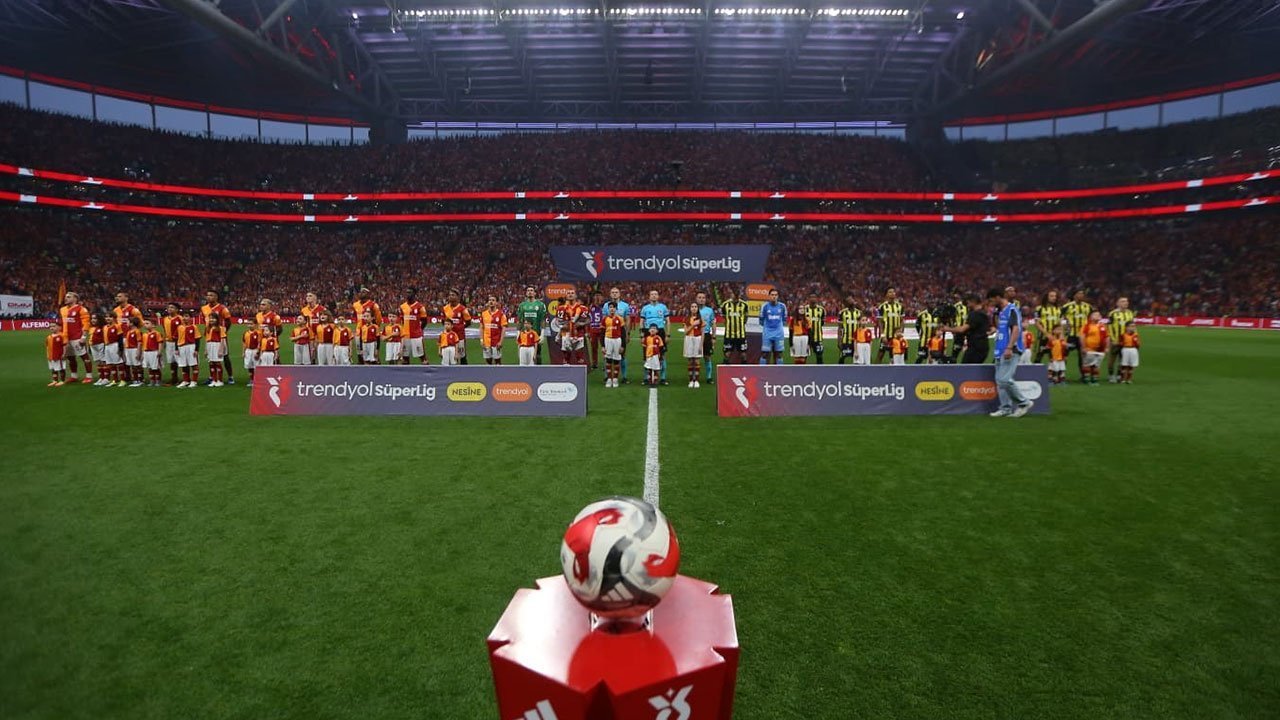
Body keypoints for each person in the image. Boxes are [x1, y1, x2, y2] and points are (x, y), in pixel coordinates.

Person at [990, 288, 1033, 418]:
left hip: (1010, 349)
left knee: (1003, 380)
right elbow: (1001, 329)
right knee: (1000, 382)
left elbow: (1016, 329)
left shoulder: (1012, 310)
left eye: (992, 300)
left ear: (998, 297)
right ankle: (1005, 408)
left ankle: (1024, 403)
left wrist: (1009, 347)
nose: (991, 303)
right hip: (1000, 349)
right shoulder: (1001, 311)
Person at [944, 295, 991, 365]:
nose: (967, 306)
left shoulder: (975, 314)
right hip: (982, 346)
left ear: (973, 302)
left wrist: (947, 329)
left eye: (968, 303)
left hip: (975, 348)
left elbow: (962, 329)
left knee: (966, 367)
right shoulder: (983, 313)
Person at [58, 292, 93, 383]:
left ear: (75, 299)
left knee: (84, 356)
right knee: (70, 358)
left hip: (77, 337)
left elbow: (86, 324)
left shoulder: (81, 309)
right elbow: (62, 324)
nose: (66, 298)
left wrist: (84, 337)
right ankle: (74, 376)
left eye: (69, 297)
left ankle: (89, 376)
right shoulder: (62, 309)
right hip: (66, 338)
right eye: (66, 297)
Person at [201, 291, 235, 384]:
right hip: (209, 335)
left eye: (211, 295)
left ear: (216, 297)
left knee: (225, 355)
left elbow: (228, 321)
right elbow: (205, 321)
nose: (208, 297)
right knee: (211, 356)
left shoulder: (222, 308)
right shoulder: (204, 308)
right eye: (207, 295)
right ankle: (212, 377)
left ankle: (230, 376)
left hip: (220, 335)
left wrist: (223, 331)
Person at [638, 290, 671, 383]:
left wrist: (668, 334)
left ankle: (663, 378)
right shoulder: (645, 308)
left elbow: (668, 321)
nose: (654, 296)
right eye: (652, 294)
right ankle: (646, 378)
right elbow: (641, 322)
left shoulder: (663, 307)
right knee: (646, 354)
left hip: (660, 331)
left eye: (655, 294)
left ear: (658, 296)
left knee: (662, 355)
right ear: (649, 296)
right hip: (648, 331)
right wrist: (642, 335)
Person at [1062, 290, 1094, 382]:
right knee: (1065, 354)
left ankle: (1084, 376)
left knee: (1083, 355)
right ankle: (1061, 375)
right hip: (1070, 335)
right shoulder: (1067, 306)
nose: (1081, 295)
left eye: (1082, 293)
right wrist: (1065, 326)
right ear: (1074, 295)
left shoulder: (1088, 306)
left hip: (1083, 336)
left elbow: (1091, 318)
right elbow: (1060, 318)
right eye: (1079, 293)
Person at [604, 287, 632, 380]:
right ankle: (607, 376)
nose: (614, 294)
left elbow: (627, 320)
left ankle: (624, 376)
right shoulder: (606, 305)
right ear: (610, 294)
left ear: (619, 294)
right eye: (613, 292)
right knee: (607, 356)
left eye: (616, 292)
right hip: (609, 335)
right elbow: (604, 320)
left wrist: (627, 333)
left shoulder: (625, 306)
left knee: (622, 355)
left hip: (620, 335)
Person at [516, 286, 549, 365]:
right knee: (524, 354)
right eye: (528, 290)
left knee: (537, 354)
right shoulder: (522, 305)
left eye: (531, 290)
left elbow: (543, 320)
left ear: (535, 293)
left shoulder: (540, 305)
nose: (530, 292)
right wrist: (518, 333)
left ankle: (538, 371)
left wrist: (542, 334)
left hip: (536, 333)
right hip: (525, 334)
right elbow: (520, 320)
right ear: (526, 293)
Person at [1106, 297, 1135, 383]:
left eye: (1126, 301)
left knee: (1122, 359)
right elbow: (1109, 327)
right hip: (1115, 340)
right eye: (1122, 301)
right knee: (1112, 359)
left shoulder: (1130, 313)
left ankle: (1119, 375)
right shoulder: (1113, 313)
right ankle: (1111, 375)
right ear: (1118, 303)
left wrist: (1133, 338)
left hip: (1126, 341)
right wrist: (1112, 339)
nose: (1125, 303)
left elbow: (1133, 327)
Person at [719, 286, 749, 366]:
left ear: (739, 295)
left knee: (743, 354)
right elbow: (724, 318)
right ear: (731, 294)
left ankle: (744, 369)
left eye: (737, 294)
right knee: (727, 354)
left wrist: (741, 324)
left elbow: (746, 318)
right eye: (733, 294)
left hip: (741, 334)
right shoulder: (725, 305)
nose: (735, 296)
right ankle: (726, 370)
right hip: (729, 334)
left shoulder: (744, 305)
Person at [557, 289, 588, 366]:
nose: (570, 294)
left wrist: (582, 323)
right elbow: (559, 322)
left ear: (576, 296)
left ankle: (580, 372)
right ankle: (566, 372)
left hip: (578, 334)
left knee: (580, 356)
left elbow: (587, 320)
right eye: (568, 293)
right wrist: (562, 327)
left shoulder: (583, 308)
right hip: (566, 334)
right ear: (566, 296)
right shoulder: (561, 309)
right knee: (566, 357)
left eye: (572, 293)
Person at [352, 288, 383, 363]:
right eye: (360, 292)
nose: (361, 293)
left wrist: (375, 328)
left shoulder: (373, 305)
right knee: (359, 351)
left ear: (368, 294)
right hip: (359, 331)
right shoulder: (355, 305)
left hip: (370, 332)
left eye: (364, 292)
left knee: (373, 353)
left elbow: (378, 318)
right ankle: (361, 364)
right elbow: (356, 317)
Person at [441, 290, 472, 365]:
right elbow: (443, 321)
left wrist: (461, 327)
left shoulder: (462, 309)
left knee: (462, 356)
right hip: (448, 336)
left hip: (460, 336)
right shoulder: (445, 308)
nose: (450, 296)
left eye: (453, 295)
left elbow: (468, 322)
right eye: (450, 295)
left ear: (457, 297)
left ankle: (464, 371)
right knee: (449, 356)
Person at [399, 290, 428, 365]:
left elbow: (425, 321)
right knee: (405, 359)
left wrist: (419, 329)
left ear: (414, 294)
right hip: (405, 335)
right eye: (407, 292)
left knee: (423, 358)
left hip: (416, 335)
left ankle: (427, 371)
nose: (408, 294)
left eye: (410, 292)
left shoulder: (420, 307)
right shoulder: (402, 306)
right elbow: (402, 320)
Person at [875, 288, 904, 364]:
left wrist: (901, 331)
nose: (892, 293)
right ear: (886, 295)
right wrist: (883, 335)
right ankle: (875, 369)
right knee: (880, 354)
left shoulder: (900, 306)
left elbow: (902, 320)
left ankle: (894, 370)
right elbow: (880, 322)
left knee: (895, 355)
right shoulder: (882, 306)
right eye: (890, 292)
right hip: (886, 335)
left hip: (896, 336)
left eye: (893, 291)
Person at [1033, 290, 1063, 363]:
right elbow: (1037, 323)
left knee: (1055, 357)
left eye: (1055, 296)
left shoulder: (1058, 309)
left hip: (1055, 337)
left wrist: (1061, 335)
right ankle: (1035, 370)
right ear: (1046, 297)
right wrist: (1047, 334)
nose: (1054, 298)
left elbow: (1060, 323)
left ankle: (1053, 370)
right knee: (1039, 357)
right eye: (1051, 296)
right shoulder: (1039, 308)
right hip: (1043, 336)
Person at [758, 288, 787, 365]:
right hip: (767, 333)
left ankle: (779, 371)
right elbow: (761, 320)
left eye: (776, 295)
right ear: (769, 296)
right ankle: (761, 371)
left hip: (779, 334)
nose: (774, 296)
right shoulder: (764, 306)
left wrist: (778, 327)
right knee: (765, 354)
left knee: (779, 354)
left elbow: (784, 320)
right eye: (772, 295)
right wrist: (768, 327)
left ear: (778, 296)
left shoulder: (782, 306)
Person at [1080, 310, 1108, 385]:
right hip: (1089, 349)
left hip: (1100, 350)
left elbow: (1107, 337)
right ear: (1090, 317)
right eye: (1095, 314)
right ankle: (1087, 379)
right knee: (1087, 364)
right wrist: (1083, 347)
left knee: (1096, 365)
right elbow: (1082, 337)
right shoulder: (1087, 326)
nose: (1098, 316)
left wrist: (1107, 347)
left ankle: (1094, 380)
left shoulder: (1103, 326)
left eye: (1099, 315)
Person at [480, 295, 508, 366]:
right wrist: (481, 340)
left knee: (497, 362)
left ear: (496, 303)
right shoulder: (484, 314)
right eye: (490, 300)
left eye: (493, 300)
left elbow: (503, 329)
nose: (491, 302)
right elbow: (481, 327)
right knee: (488, 361)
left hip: (496, 342)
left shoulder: (501, 314)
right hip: (486, 342)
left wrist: (501, 341)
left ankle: (498, 373)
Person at [602, 305, 625, 387]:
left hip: (617, 340)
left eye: (613, 307)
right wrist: (602, 346)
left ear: (616, 309)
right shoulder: (605, 319)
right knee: (608, 360)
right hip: (608, 339)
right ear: (608, 309)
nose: (612, 309)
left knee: (616, 360)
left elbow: (623, 333)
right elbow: (602, 332)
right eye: (610, 307)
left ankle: (615, 379)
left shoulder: (620, 319)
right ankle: (609, 379)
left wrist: (623, 346)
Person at [696, 291, 717, 382]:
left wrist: (714, 337)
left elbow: (713, 323)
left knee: (707, 356)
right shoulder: (693, 309)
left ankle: (709, 377)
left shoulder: (709, 310)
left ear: (705, 300)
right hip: (695, 335)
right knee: (695, 358)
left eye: (703, 298)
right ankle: (695, 377)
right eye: (699, 297)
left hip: (707, 335)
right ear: (696, 299)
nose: (701, 299)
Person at [160, 303, 182, 386]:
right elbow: (165, 331)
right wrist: (164, 342)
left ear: (177, 310)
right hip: (169, 342)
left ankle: (185, 379)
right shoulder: (165, 319)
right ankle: (174, 378)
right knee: (171, 361)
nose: (170, 309)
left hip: (178, 342)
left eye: (172, 307)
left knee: (180, 361)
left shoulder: (180, 318)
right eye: (169, 307)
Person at [683, 303, 704, 388]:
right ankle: (691, 380)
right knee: (690, 360)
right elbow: (686, 332)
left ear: (698, 309)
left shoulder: (701, 319)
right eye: (692, 307)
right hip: (689, 339)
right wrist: (693, 325)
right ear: (690, 308)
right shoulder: (686, 319)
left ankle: (697, 380)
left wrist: (701, 345)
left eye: (695, 307)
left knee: (697, 360)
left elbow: (703, 333)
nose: (694, 308)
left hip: (698, 339)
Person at [176, 315, 200, 388]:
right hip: (181, 347)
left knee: (194, 364)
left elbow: (197, 339)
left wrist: (196, 350)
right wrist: (176, 349)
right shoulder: (179, 327)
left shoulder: (194, 327)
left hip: (191, 346)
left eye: (186, 316)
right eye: (183, 316)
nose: (184, 318)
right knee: (183, 364)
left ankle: (194, 381)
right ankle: (186, 381)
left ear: (190, 318)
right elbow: (176, 338)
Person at [837, 296, 862, 365]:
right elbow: (839, 328)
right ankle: (840, 370)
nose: (851, 301)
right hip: (846, 340)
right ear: (846, 303)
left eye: (851, 299)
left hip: (857, 340)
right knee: (842, 358)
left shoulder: (859, 312)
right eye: (849, 300)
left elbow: (862, 327)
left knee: (857, 359)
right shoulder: (842, 313)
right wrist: (839, 341)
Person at [101, 313, 124, 387]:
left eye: (110, 317)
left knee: (119, 363)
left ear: (114, 318)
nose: (108, 318)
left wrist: (120, 349)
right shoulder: (104, 327)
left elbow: (120, 338)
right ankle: (115, 380)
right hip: (107, 346)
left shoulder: (117, 326)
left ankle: (122, 380)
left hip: (114, 345)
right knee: (110, 363)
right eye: (106, 317)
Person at [804, 295, 825, 365]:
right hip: (806, 337)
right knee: (803, 356)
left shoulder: (821, 309)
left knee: (819, 356)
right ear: (808, 299)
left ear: (817, 299)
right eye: (811, 297)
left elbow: (822, 322)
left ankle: (820, 370)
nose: (813, 299)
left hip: (818, 338)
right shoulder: (804, 309)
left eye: (814, 297)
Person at [205, 315, 226, 387]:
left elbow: (222, 339)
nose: (211, 320)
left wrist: (221, 350)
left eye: (213, 318)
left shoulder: (220, 328)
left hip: (217, 345)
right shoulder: (208, 328)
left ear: (217, 319)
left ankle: (220, 380)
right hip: (210, 345)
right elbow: (207, 339)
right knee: (211, 363)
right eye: (210, 318)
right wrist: (206, 350)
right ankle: (214, 380)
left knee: (217, 363)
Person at [587, 291, 605, 370]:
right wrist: (588, 331)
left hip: (602, 329)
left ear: (602, 297)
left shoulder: (604, 307)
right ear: (593, 297)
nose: (597, 297)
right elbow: (587, 319)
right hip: (593, 329)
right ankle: (594, 363)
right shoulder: (590, 307)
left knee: (604, 347)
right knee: (594, 347)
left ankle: (606, 363)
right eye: (596, 295)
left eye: (599, 295)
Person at [124, 317, 144, 386]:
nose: (126, 323)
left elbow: (139, 342)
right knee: (132, 365)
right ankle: (135, 379)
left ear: (132, 323)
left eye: (128, 322)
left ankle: (140, 379)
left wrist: (138, 352)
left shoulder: (137, 331)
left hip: (134, 349)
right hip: (129, 350)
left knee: (137, 365)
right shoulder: (129, 332)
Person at [142, 320, 163, 386]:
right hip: (146, 352)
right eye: (144, 324)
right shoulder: (144, 334)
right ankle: (152, 381)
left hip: (154, 352)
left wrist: (159, 351)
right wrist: (143, 352)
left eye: (147, 323)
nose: (145, 325)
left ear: (153, 325)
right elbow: (144, 344)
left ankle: (158, 381)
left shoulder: (157, 333)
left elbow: (160, 342)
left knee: (156, 367)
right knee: (150, 367)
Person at [89, 314, 108, 385]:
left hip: (101, 345)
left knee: (103, 361)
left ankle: (106, 378)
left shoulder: (103, 327)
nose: (93, 320)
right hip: (93, 346)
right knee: (98, 362)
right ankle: (101, 378)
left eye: (95, 318)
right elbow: (90, 337)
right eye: (92, 318)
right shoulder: (91, 328)